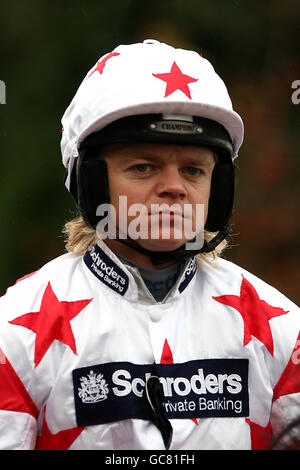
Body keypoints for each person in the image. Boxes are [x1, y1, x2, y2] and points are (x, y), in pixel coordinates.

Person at [0, 39, 299, 451]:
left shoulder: (283, 331)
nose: (174, 188)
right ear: (90, 184)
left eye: (193, 170)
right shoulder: (15, 330)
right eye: (144, 167)